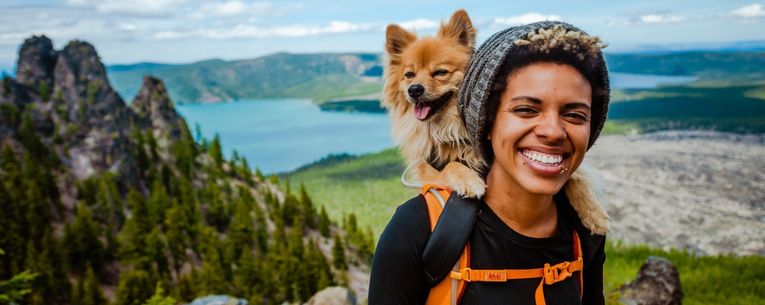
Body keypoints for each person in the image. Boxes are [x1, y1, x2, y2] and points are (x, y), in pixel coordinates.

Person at [369, 21, 611, 305]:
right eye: (526, 110)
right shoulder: (416, 230)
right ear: (485, 117)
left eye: (575, 114)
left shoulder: (583, 232)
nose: (552, 131)